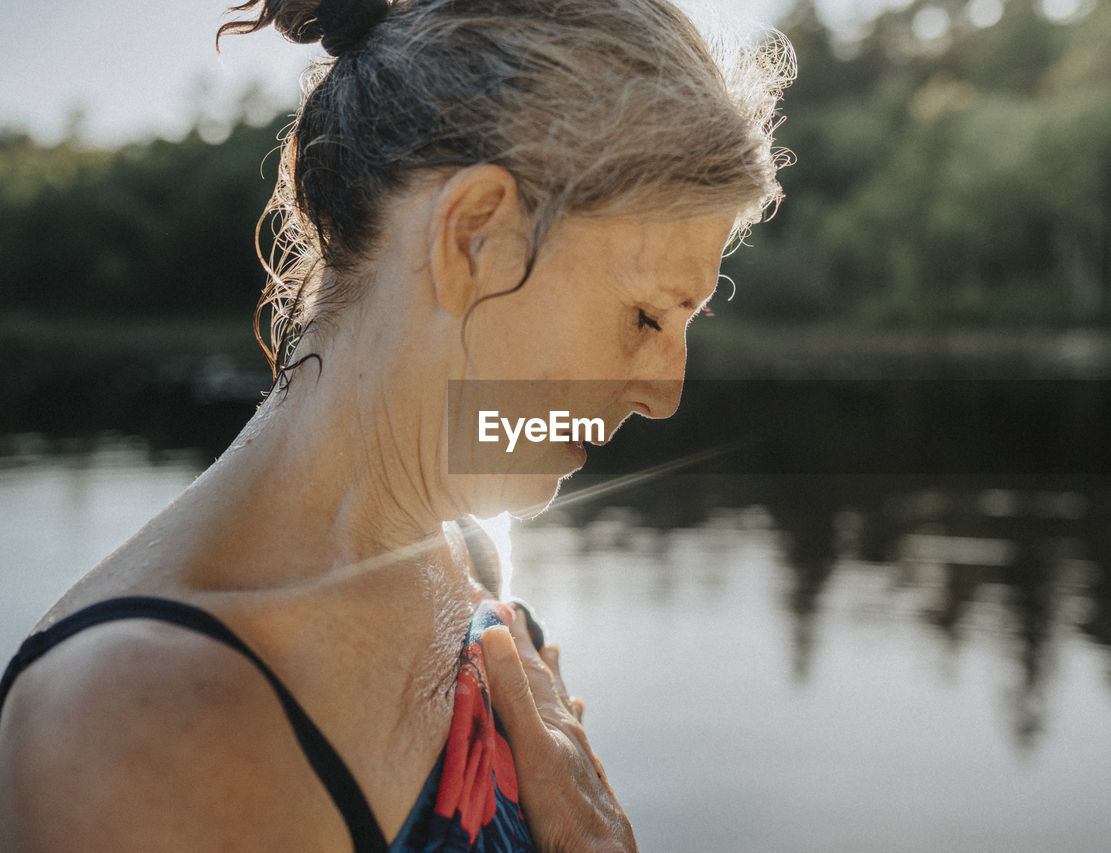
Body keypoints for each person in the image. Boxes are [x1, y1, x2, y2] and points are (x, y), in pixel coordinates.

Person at [0, 0, 790, 849]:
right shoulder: (135, 727)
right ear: (475, 237)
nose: (664, 393)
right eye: (644, 316)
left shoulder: (475, 566)